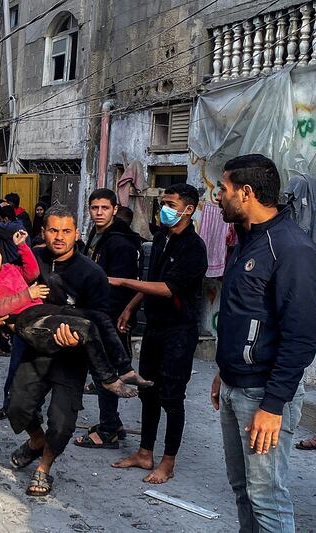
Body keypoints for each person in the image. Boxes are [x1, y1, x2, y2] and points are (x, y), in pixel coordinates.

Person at [211, 154, 316, 532]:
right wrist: (223, 373)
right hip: (234, 386)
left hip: (263, 396)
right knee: (243, 491)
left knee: (268, 500)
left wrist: (273, 405)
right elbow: (241, 316)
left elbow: (301, 338)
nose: (217, 196)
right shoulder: (249, 240)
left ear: (246, 192)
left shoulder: (291, 249)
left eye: (223, 189)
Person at [0, 232, 145, 396]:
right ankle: (107, 379)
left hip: (42, 310)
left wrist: (22, 246)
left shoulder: (9, 268)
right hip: (27, 321)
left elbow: (32, 272)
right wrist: (28, 294)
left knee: (99, 318)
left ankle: (125, 369)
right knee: (85, 328)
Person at [110, 183, 208, 484]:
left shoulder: (194, 248)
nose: (163, 208)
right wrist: (130, 307)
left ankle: (168, 461)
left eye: (169, 203)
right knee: (148, 391)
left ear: (187, 209)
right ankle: (144, 452)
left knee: (172, 398)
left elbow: (167, 289)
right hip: (154, 327)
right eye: (163, 202)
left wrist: (125, 283)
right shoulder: (162, 237)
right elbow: (153, 279)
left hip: (179, 331)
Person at [3, 207, 102, 496]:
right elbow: (4, 285)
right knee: (16, 406)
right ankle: (35, 441)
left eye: (66, 231)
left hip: (71, 357)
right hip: (35, 349)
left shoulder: (90, 272)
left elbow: (100, 319)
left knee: (61, 423)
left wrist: (81, 338)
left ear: (77, 234)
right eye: (54, 231)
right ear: (43, 232)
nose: (59, 237)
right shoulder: (32, 259)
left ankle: (43, 468)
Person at [75, 188, 143, 449]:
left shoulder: (120, 242)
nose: (99, 212)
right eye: (95, 208)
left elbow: (122, 286)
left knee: (106, 373)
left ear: (115, 209)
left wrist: (114, 317)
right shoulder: (98, 234)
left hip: (111, 318)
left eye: (104, 208)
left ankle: (108, 430)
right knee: (101, 371)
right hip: (97, 314)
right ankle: (111, 421)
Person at [0, 202, 25, 357]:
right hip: (16, 271)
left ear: (5, 219)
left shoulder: (10, 228)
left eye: (1, 219)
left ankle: (6, 345)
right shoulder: (19, 225)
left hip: (12, 271)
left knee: (2, 311)